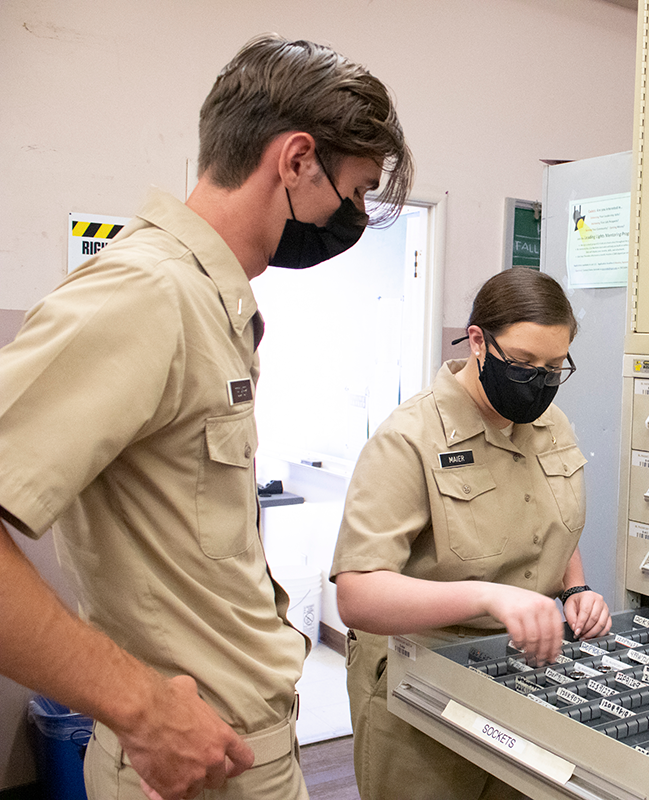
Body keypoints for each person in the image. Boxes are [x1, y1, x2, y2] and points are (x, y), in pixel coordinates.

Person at [0, 34, 412, 800]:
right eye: (352, 194)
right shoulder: (151, 293)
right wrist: (143, 710)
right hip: (192, 770)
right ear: (295, 161)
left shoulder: (208, 300)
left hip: (245, 747)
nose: (350, 219)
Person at [332, 266, 613, 800]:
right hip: (420, 685)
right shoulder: (409, 439)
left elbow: (551, 518)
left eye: (556, 367)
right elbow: (358, 594)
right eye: (525, 364)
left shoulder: (553, 426)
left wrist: (574, 587)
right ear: (479, 342)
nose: (541, 382)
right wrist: (489, 596)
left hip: (525, 676)